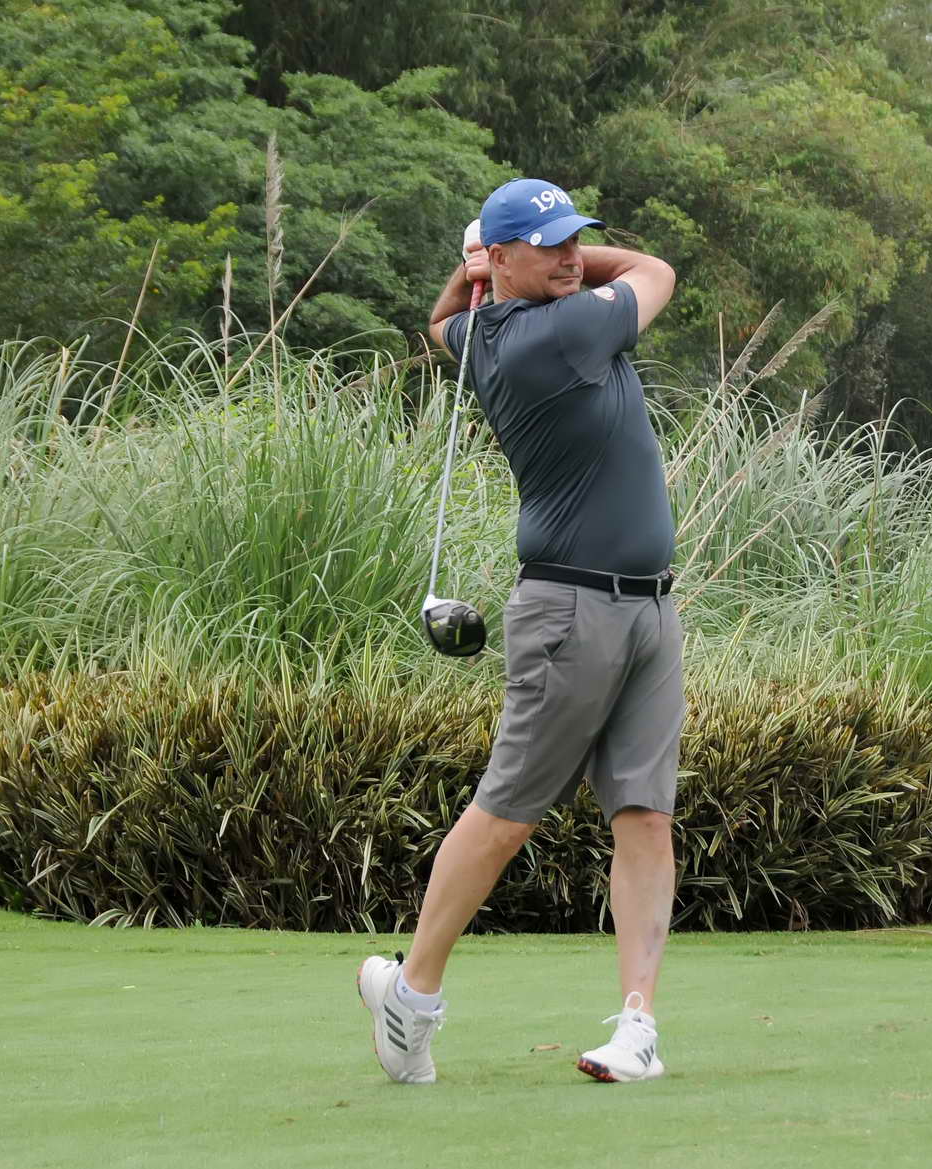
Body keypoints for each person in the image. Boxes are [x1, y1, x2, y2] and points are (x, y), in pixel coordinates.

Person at [357, 178, 681, 1086]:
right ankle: (411, 997)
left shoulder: (484, 332)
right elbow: (655, 269)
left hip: (650, 606)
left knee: (645, 813)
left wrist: (476, 273)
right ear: (502, 258)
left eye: (577, 239)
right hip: (571, 610)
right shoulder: (561, 333)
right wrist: (505, 267)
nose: (574, 258)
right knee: (507, 814)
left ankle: (638, 1025)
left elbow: (438, 323)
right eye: (551, 247)